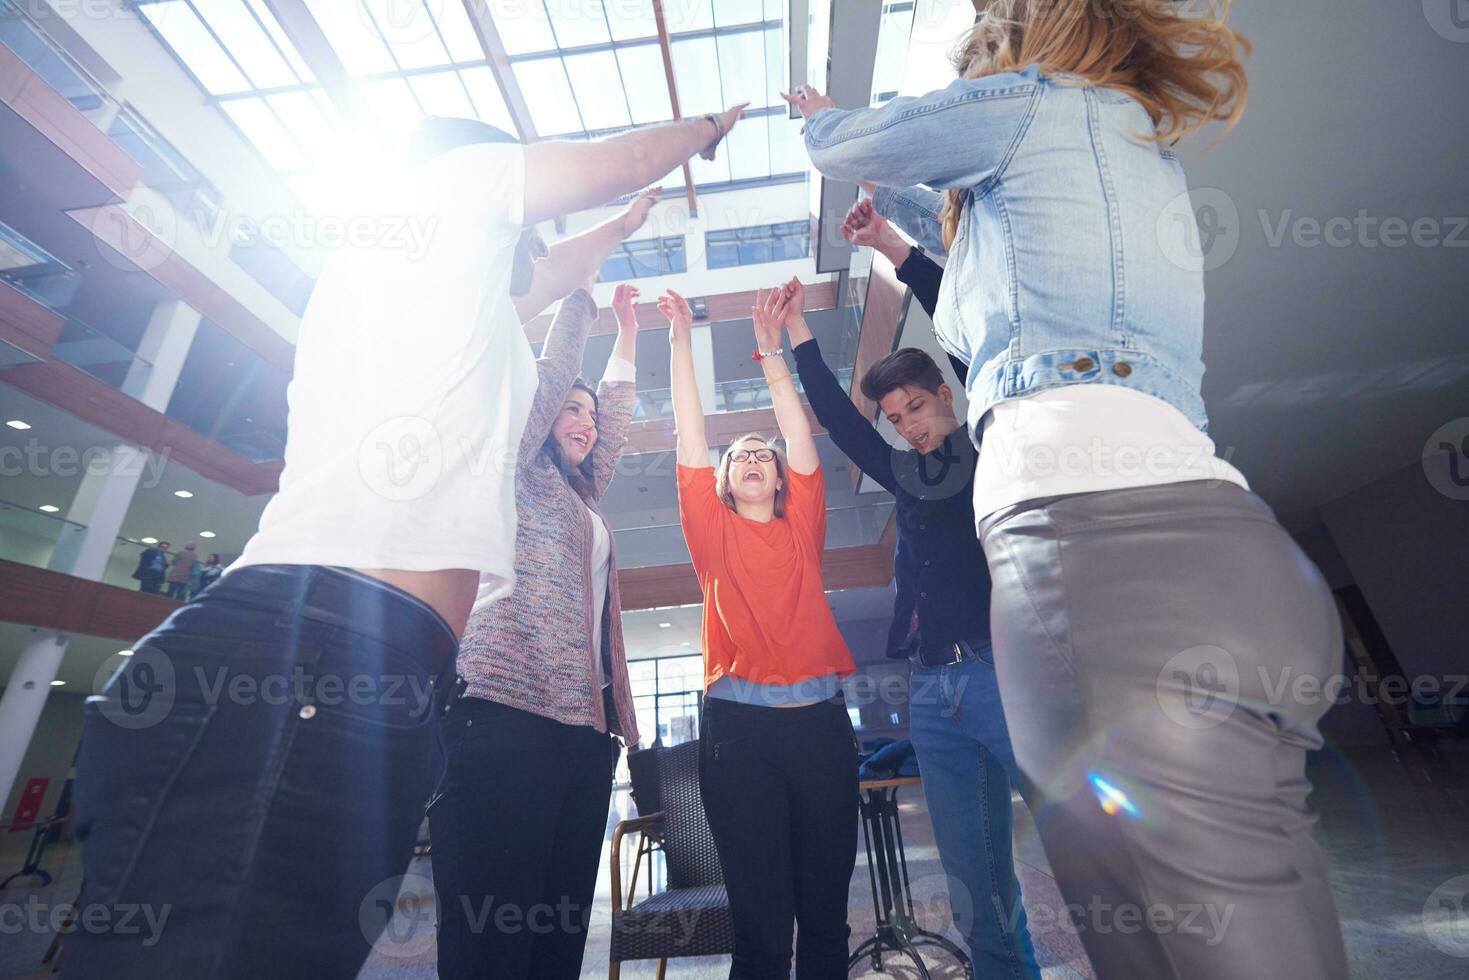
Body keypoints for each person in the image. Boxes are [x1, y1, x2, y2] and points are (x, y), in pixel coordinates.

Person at [65, 104, 747, 979]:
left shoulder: (460, 318)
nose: (530, 237)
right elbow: (609, 163)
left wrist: (618, 230)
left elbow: (555, 273)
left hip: (372, 663)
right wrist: (703, 130)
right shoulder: (439, 196)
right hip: (306, 650)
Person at [786, 2, 1347, 977]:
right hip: (1157, 565)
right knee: (1149, 939)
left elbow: (857, 142)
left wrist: (817, 118)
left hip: (1107, 565)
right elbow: (978, 285)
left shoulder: (1035, 100)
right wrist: (890, 241)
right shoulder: (1121, 151)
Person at [783, 211, 1039, 976]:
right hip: (931, 695)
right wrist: (797, 329)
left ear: (945, 397)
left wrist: (894, 249)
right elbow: (839, 422)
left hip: (1003, 676)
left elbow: (964, 341)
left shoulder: (988, 442)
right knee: (974, 885)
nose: (906, 427)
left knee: (1083, 847)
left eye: (915, 409)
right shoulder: (906, 473)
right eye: (895, 419)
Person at [431, 282, 644, 979]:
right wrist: (577, 301)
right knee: (491, 938)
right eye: (569, 410)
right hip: (504, 719)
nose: (584, 421)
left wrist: (629, 333)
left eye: (588, 412)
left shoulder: (580, 495)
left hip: (583, 736)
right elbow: (545, 383)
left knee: (556, 936)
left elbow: (610, 424)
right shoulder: (512, 470)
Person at [666, 285, 859, 978]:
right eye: (738, 456)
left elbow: (800, 433)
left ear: (782, 479)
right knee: (759, 918)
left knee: (824, 914)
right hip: (737, 738)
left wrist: (771, 354)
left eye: (762, 455)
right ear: (722, 481)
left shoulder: (802, 527)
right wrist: (680, 342)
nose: (751, 459)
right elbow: (689, 435)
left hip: (820, 732)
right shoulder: (709, 535)